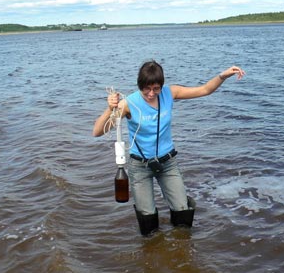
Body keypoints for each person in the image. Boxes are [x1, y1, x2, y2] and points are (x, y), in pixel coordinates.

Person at [93, 60, 245, 235]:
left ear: (161, 86)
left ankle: (180, 245)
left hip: (168, 163)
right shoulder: (128, 104)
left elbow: (205, 90)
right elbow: (97, 132)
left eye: (156, 89)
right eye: (146, 89)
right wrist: (109, 109)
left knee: (183, 211)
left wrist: (223, 75)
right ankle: (151, 246)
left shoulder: (170, 93)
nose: (151, 94)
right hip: (140, 166)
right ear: (140, 85)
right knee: (147, 219)